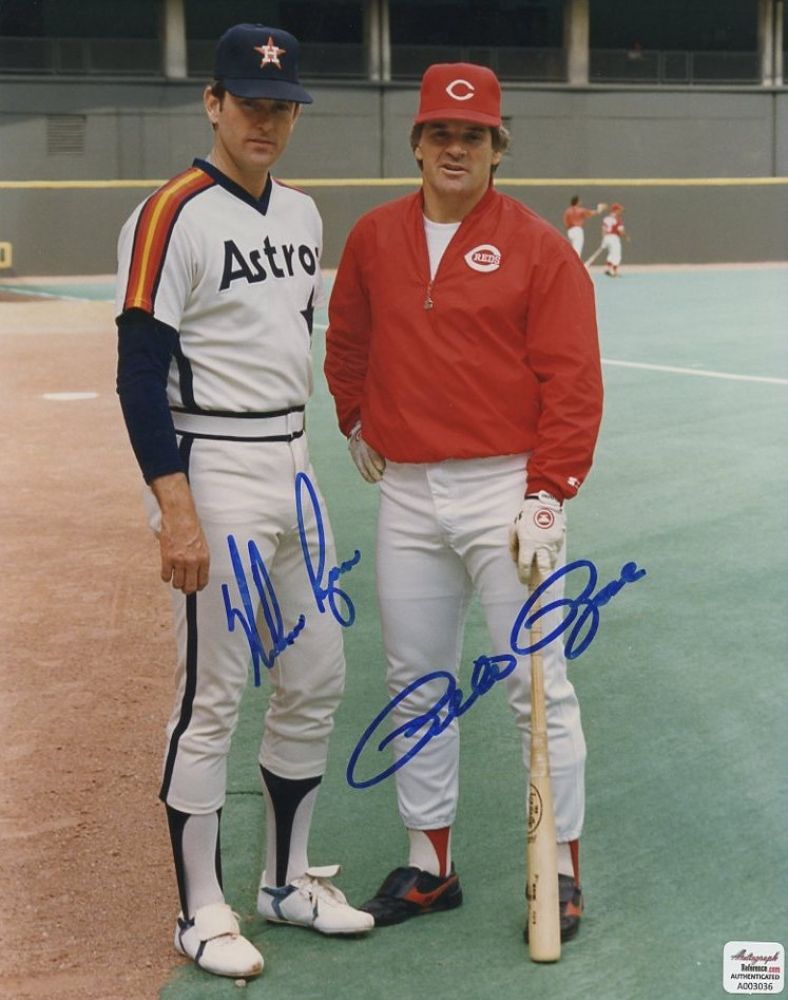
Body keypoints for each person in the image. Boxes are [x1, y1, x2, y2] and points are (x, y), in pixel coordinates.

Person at [115, 23, 373, 982]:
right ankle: (200, 910)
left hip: (293, 464)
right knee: (212, 693)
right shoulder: (169, 214)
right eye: (250, 102)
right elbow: (138, 374)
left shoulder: (303, 214)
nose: (267, 119)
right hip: (213, 461)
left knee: (317, 674)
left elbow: (291, 341)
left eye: (282, 105)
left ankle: (287, 882)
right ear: (213, 103)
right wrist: (174, 507)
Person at [324, 63, 603, 941]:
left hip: (506, 488)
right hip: (407, 492)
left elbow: (573, 379)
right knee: (416, 682)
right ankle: (429, 866)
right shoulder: (375, 236)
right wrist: (355, 415)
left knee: (537, 686)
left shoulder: (537, 246)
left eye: (473, 135)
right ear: (416, 143)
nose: (456, 147)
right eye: (440, 133)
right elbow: (347, 338)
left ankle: (559, 871)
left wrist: (549, 491)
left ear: (497, 147)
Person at [601, 202, 626, 276]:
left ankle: (608, 269)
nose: (621, 212)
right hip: (614, 238)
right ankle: (614, 271)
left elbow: (603, 229)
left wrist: (604, 239)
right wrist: (625, 236)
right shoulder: (617, 219)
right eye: (620, 210)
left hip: (607, 237)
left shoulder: (606, 218)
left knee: (611, 253)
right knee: (617, 254)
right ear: (616, 210)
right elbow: (621, 231)